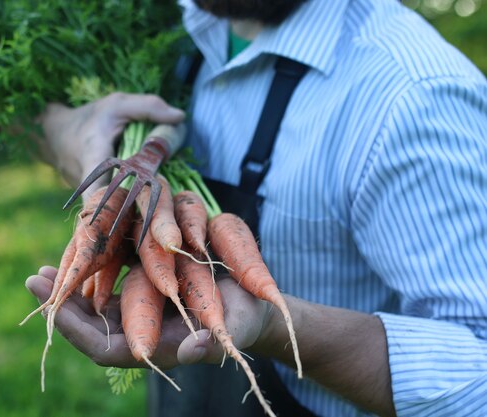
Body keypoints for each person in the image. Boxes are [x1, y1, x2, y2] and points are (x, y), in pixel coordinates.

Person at [25, 0, 487, 416]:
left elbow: (478, 380)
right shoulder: (169, 20)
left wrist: (279, 325)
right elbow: (13, 110)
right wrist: (65, 130)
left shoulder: (414, 98)